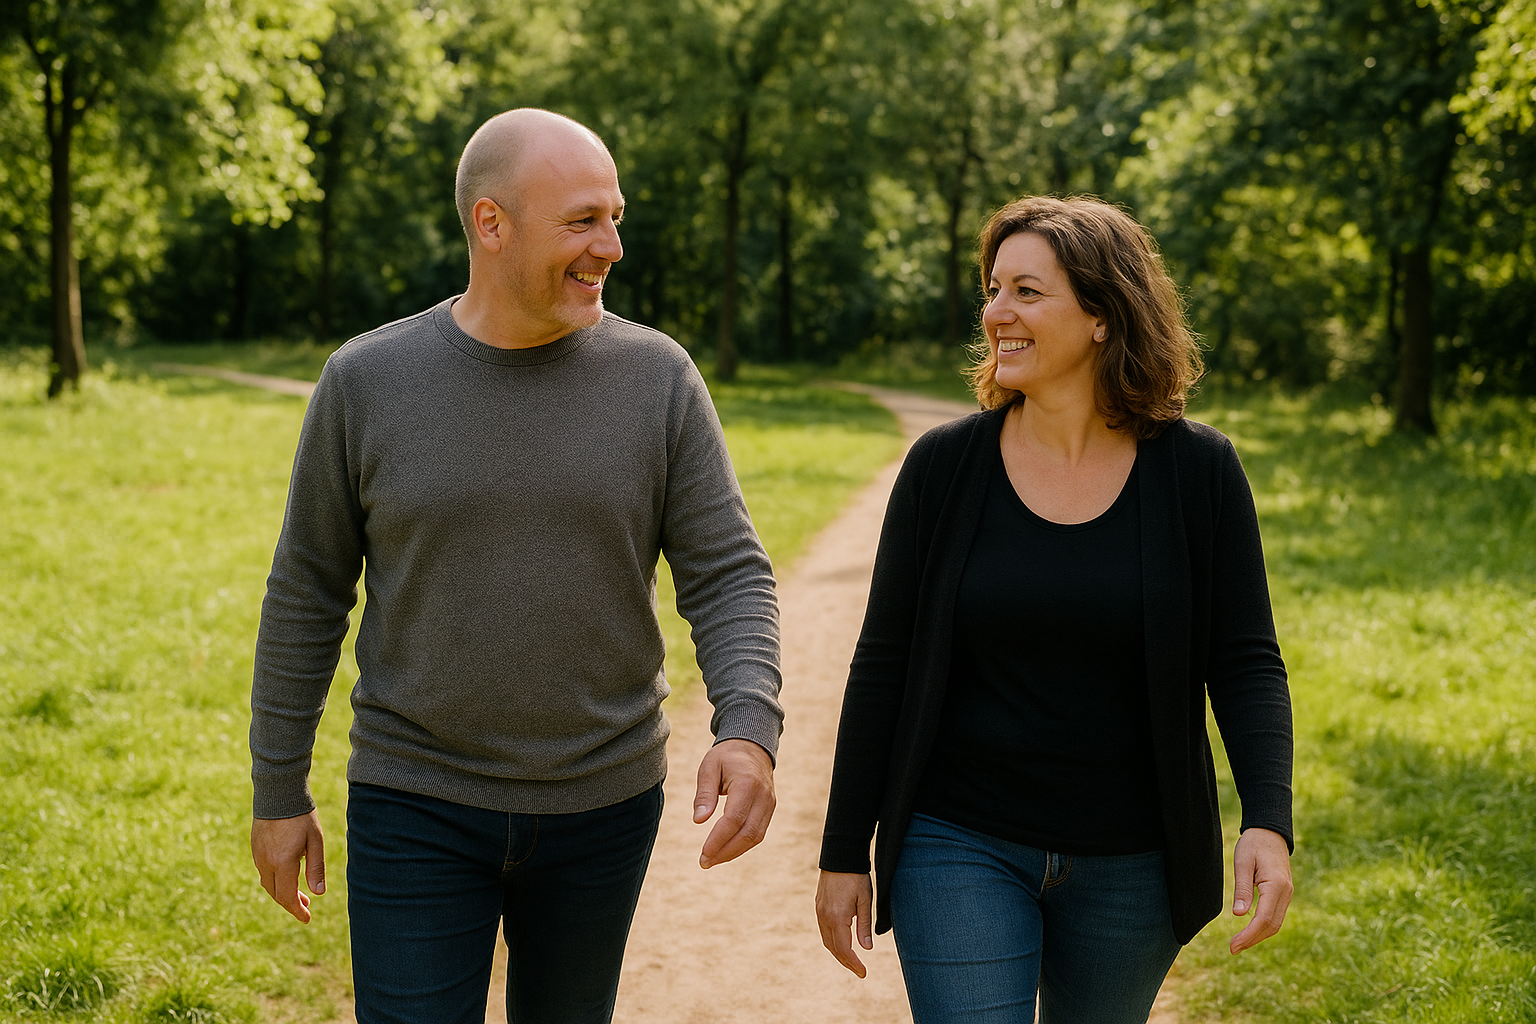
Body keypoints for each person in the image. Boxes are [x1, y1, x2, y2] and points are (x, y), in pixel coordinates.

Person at [248, 108, 783, 1024]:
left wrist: (748, 724)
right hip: (413, 799)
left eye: (615, 217)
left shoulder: (658, 379)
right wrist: (277, 789)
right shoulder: (366, 383)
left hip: (603, 805)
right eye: (582, 221)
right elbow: (306, 591)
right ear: (491, 224)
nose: (611, 246)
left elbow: (728, 569)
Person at [814, 195, 1294, 1023]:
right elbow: (884, 662)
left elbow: (1244, 658)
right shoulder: (943, 468)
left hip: (1134, 864)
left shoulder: (1198, 472)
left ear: (1104, 315)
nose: (996, 312)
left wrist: (1268, 821)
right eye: (993, 290)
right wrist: (841, 850)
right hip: (956, 840)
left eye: (1027, 291)